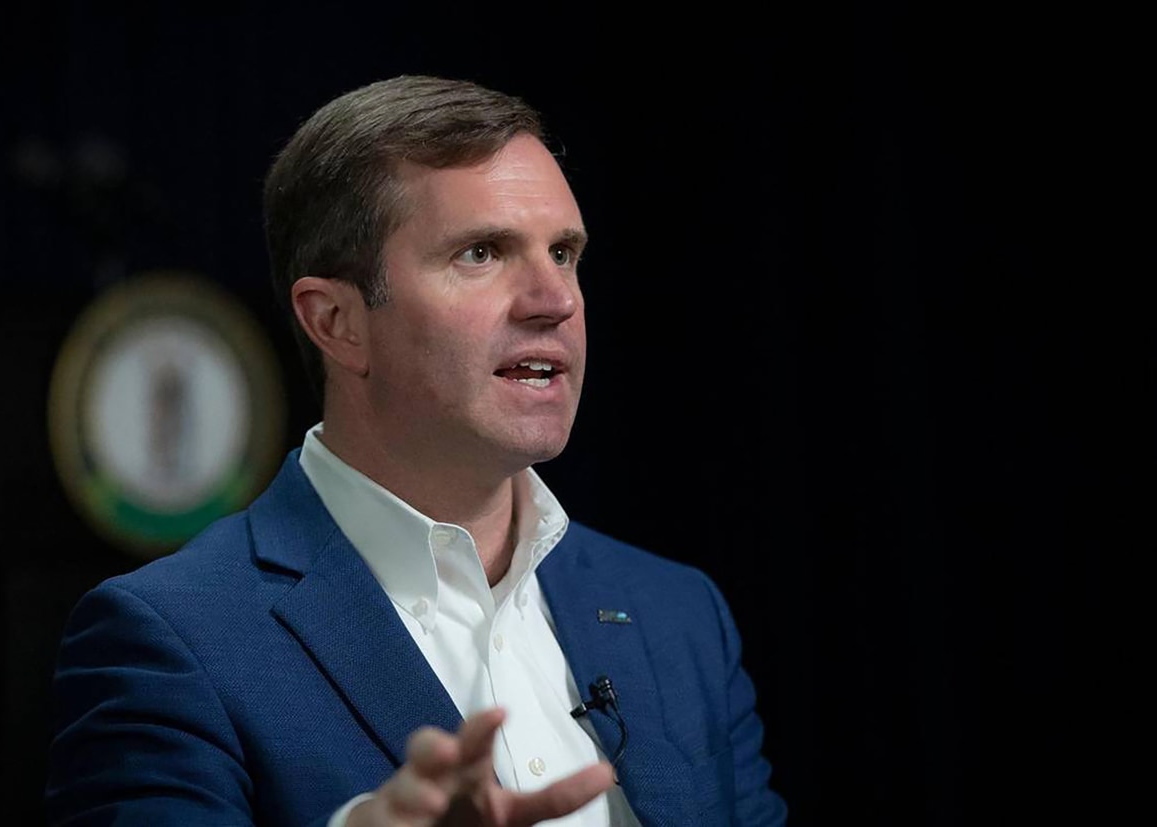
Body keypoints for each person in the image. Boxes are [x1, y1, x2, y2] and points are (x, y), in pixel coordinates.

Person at [45, 74, 788, 827]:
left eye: (564, 251)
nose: (555, 298)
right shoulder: (169, 642)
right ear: (336, 321)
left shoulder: (678, 613)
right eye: (482, 253)